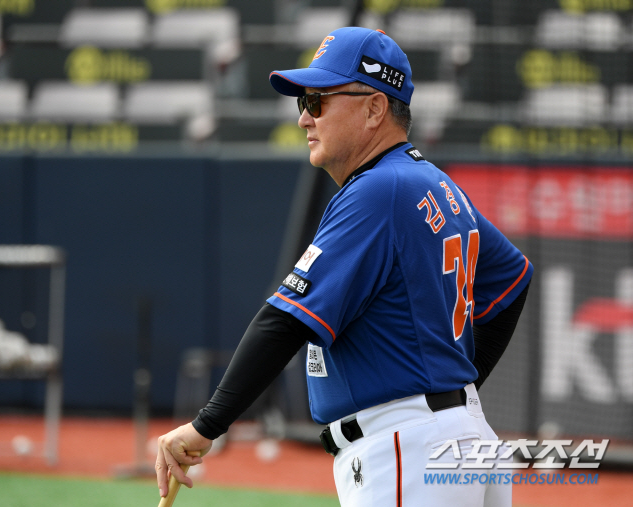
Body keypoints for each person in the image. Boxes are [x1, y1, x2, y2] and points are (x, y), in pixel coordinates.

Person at [156, 27, 532, 507]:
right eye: (302, 103)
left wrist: (207, 424)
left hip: (408, 446)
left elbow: (283, 320)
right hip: (457, 436)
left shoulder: (378, 190)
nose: (304, 119)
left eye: (317, 101)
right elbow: (513, 280)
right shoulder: (434, 184)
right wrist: (458, 395)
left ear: (375, 108)